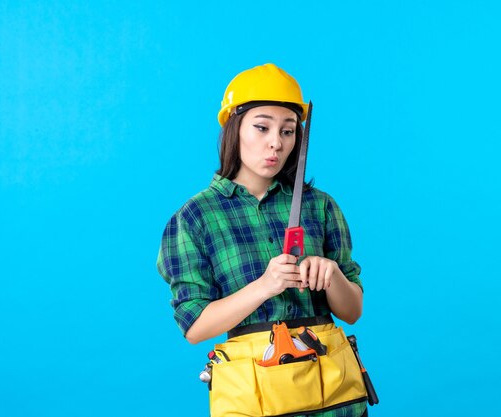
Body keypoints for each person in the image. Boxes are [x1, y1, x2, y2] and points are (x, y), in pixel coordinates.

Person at [157, 63, 368, 417]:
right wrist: (265, 286)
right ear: (234, 129)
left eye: (288, 131)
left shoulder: (320, 206)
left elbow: (353, 311)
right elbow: (195, 327)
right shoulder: (195, 218)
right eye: (262, 127)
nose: (276, 142)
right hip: (257, 402)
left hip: (335, 401)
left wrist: (332, 274)